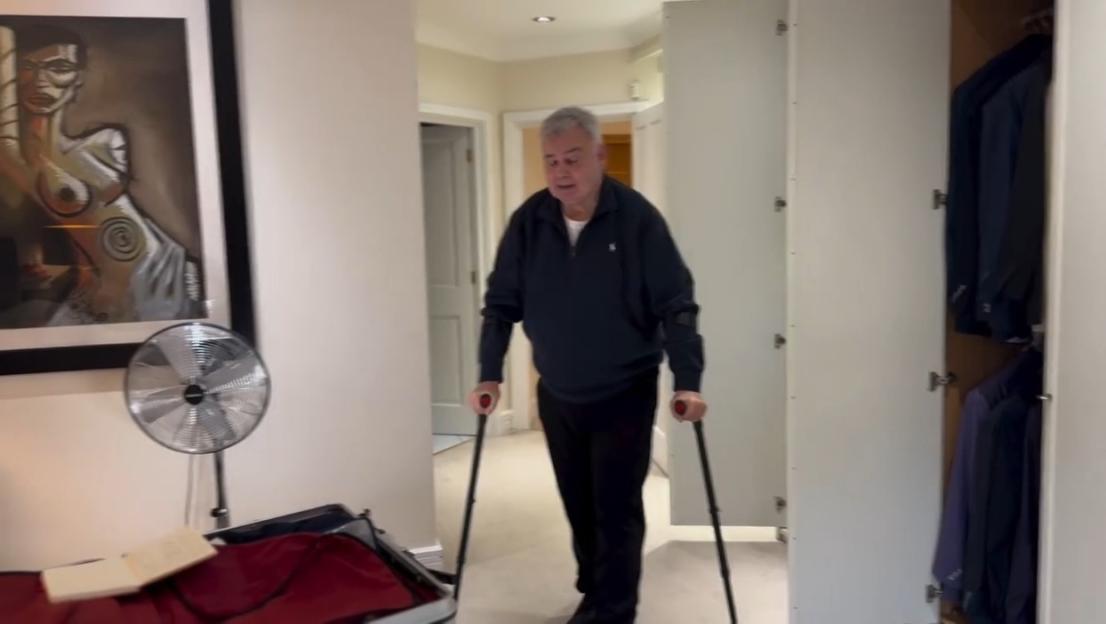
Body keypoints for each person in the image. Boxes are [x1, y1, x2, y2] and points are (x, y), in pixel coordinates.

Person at [470, 106, 707, 623]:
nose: (560, 172)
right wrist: (489, 371)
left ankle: (615, 608)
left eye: (572, 159)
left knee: (615, 508)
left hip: (625, 389)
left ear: (599, 156)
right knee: (578, 503)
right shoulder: (530, 222)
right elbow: (501, 302)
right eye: (551, 160)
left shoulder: (638, 219)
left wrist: (688, 379)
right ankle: (595, 587)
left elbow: (676, 303)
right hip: (557, 391)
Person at [0, 21, 203, 327]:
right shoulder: (14, 162)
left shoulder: (106, 143)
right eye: (28, 67)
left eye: (59, 67)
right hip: (98, 297)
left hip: (164, 277)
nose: (41, 80)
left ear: (77, 79)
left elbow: (99, 214)